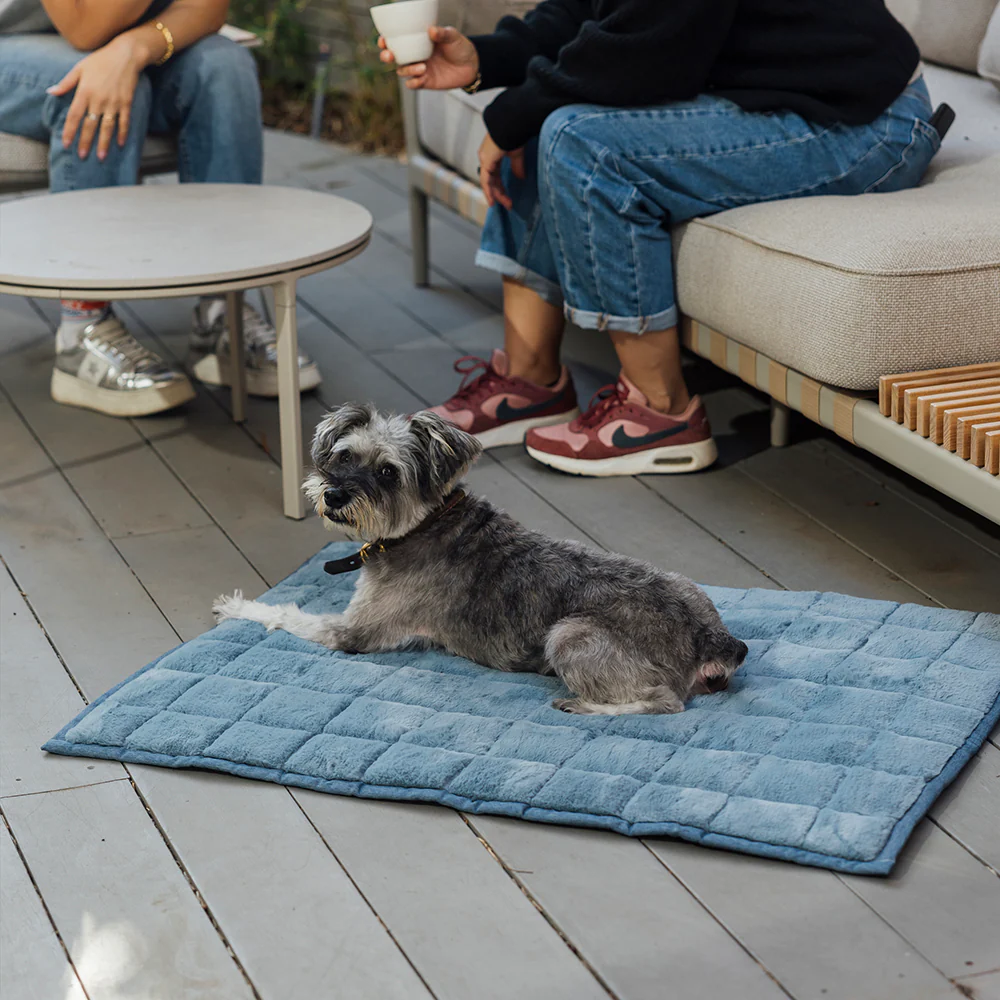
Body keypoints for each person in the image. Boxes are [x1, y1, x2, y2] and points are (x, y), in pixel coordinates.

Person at [380, 1, 938, 476]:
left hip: (863, 122)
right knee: (542, 120)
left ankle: (662, 411)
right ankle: (529, 383)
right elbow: (597, 10)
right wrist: (486, 59)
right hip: (776, 92)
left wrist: (511, 115)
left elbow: (650, 54)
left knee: (582, 143)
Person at [0, 0, 320, 417]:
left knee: (226, 66)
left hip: (118, 35)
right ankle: (81, 333)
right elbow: (85, 28)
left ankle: (222, 313)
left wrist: (132, 48)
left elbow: (208, 8)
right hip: (16, 43)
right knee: (92, 80)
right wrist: (122, 53)